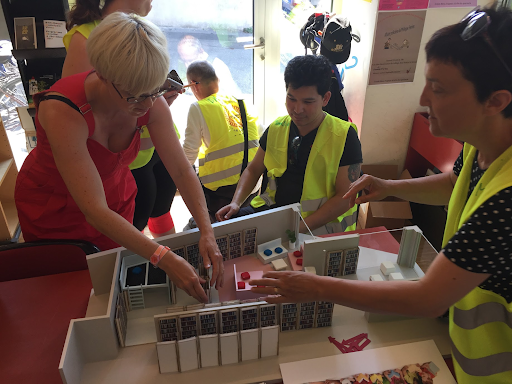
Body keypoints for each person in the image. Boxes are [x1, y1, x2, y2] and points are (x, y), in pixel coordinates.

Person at [249, 6, 512, 383]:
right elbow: (455, 184)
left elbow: (426, 298)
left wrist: (315, 287)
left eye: (437, 89)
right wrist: (388, 187)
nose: (422, 98)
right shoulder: (481, 146)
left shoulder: (507, 201)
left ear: (496, 101)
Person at [15, 13, 223, 302]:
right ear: (102, 74)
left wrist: (207, 230)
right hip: (55, 208)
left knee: (111, 282)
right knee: (68, 292)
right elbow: (93, 209)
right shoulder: (61, 110)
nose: (148, 104)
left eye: (154, 92)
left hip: (114, 198)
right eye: (135, 96)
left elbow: (181, 169)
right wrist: (163, 256)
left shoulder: (148, 98)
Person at [62, 0, 179, 238]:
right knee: (134, 222)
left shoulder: (141, 27)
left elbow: (184, 172)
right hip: (126, 159)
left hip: (151, 145)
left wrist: (157, 98)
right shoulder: (86, 39)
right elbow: (88, 114)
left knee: (160, 208)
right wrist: (162, 258)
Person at [216, 54, 363, 235]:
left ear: (325, 98)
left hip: (321, 224)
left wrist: (295, 229)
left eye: (308, 102)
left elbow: (344, 197)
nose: (297, 109)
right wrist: (236, 202)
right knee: (225, 231)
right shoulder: (277, 127)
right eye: (291, 99)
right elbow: (253, 170)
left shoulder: (344, 135)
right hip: (275, 210)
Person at [183, 61, 261, 217]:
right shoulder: (242, 102)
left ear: (194, 85)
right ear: (217, 80)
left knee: (188, 171)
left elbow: (188, 155)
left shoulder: (198, 108)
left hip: (221, 191)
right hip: (252, 185)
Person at [177, 35, 242, 97]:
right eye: (184, 60)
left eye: (190, 61)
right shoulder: (180, 63)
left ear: (201, 51)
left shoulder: (218, 67)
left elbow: (233, 94)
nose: (186, 65)